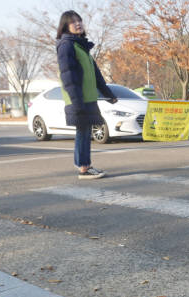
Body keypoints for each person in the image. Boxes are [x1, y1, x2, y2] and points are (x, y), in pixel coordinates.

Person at [56, 10, 117, 179]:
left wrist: (109, 94)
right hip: (79, 98)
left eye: (79, 20)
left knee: (85, 131)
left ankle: (85, 165)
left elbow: (96, 75)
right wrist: (77, 102)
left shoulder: (80, 46)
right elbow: (68, 76)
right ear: (65, 26)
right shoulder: (67, 45)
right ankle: (83, 167)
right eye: (73, 22)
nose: (78, 24)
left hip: (88, 98)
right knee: (83, 132)